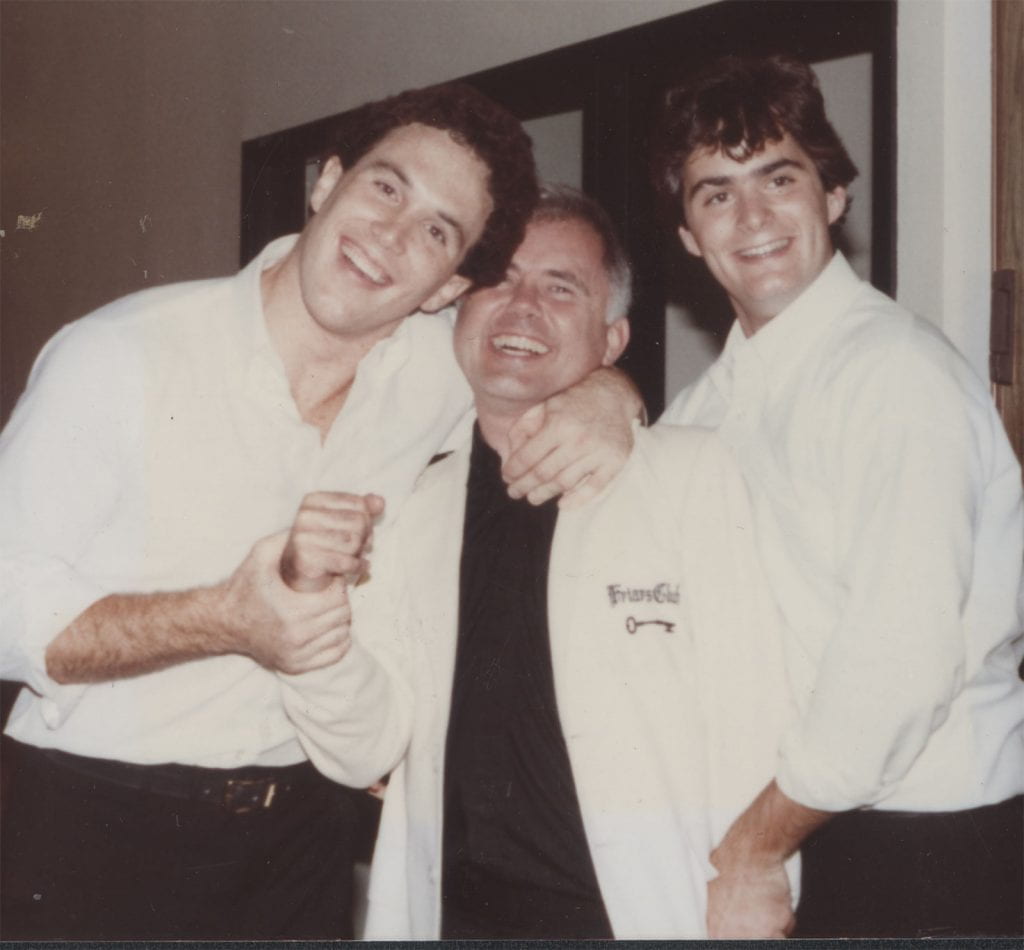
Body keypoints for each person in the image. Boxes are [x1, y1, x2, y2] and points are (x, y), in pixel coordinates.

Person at [0, 84, 641, 941]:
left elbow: (546, 368)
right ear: (327, 180)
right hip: (99, 813)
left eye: (437, 231)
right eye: (385, 187)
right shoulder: (121, 354)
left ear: (447, 285)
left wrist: (611, 392)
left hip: (303, 842)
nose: (392, 236)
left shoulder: (437, 377)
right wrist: (222, 619)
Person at [277, 187, 795, 939]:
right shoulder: (410, 504)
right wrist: (308, 610)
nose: (521, 307)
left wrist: (760, 878)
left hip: (637, 914)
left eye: (560, 287)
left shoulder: (690, 473)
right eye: (499, 279)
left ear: (612, 340)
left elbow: (755, 713)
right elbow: (367, 745)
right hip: (457, 918)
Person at [653, 54, 1024, 939]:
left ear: (834, 196)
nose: (751, 216)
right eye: (715, 194)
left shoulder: (893, 374)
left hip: (925, 845)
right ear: (688, 238)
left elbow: (896, 667)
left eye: (779, 179)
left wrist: (748, 851)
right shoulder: (703, 408)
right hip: (803, 824)